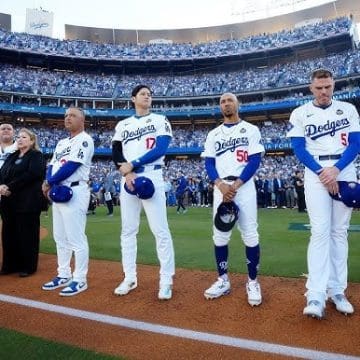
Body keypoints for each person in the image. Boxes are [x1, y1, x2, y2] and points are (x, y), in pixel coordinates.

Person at [287, 68, 360, 318]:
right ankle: (315, 294)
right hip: (316, 172)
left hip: (344, 170)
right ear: (311, 88)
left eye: (328, 86)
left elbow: (355, 143)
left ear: (333, 85)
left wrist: (336, 170)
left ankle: (337, 290)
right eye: (319, 87)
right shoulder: (300, 112)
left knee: (339, 233)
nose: (324, 92)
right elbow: (298, 147)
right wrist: (323, 172)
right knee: (319, 232)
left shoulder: (348, 109)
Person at [112, 84, 175, 300]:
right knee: (128, 231)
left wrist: (134, 164)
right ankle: (129, 277)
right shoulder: (123, 124)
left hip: (152, 175)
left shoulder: (160, 119)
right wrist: (127, 173)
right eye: (143, 94)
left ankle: (166, 280)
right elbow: (116, 150)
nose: (147, 96)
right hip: (128, 179)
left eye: (149, 94)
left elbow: (161, 148)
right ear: (133, 99)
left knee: (160, 231)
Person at [201, 92, 264, 306]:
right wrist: (220, 185)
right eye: (222, 101)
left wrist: (235, 185)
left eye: (229, 100)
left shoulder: (251, 129)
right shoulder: (213, 134)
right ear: (220, 107)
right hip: (221, 187)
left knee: (250, 233)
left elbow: (255, 161)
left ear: (238, 104)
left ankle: (253, 281)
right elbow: (209, 163)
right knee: (219, 235)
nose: (226, 103)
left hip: (243, 187)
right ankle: (222, 279)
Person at [41, 107, 94, 296]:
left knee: (76, 238)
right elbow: (52, 165)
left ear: (82, 120)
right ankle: (64, 274)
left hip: (75, 189)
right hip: (58, 191)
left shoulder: (85, 139)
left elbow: (72, 165)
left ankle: (80, 279)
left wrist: (49, 182)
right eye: (65, 116)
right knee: (60, 237)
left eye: (72, 115)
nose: (67, 118)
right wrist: (49, 181)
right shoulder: (62, 142)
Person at [0, 128, 46, 276]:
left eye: (24, 137)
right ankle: (9, 265)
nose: (19, 139)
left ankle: (28, 266)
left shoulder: (36, 156)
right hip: (9, 201)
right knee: (8, 234)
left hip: (28, 201)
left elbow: (32, 174)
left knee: (27, 234)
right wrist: (1, 186)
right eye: (18, 137)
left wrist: (9, 186)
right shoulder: (12, 156)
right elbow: (2, 173)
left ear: (32, 141)